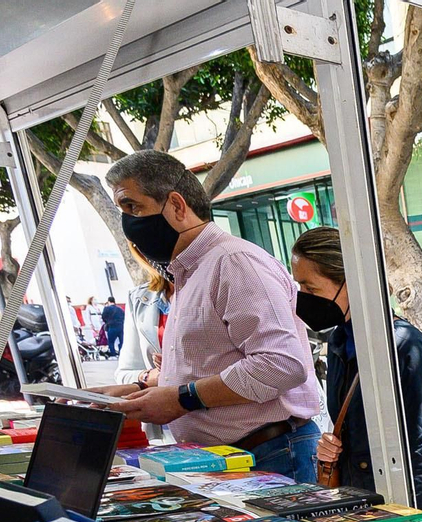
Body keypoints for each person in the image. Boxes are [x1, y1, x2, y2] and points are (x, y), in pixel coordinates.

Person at [97, 150, 321, 482]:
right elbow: (209, 363)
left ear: (176, 205)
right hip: (230, 458)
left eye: (133, 207)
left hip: (268, 453)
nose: (129, 222)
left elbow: (280, 365)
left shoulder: (234, 262)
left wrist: (180, 400)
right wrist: (136, 391)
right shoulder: (190, 272)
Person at [289, 226, 422, 509]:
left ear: (349, 281)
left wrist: (411, 518)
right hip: (360, 505)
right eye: (299, 286)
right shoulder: (339, 339)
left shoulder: (404, 345)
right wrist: (331, 446)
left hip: (401, 508)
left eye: (310, 288)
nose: (303, 297)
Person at [100, 296, 125, 362]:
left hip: (111, 326)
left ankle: (113, 354)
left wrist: (107, 322)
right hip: (120, 327)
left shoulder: (106, 308)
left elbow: (103, 317)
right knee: (121, 341)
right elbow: (124, 317)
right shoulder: (120, 309)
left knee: (111, 341)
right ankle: (121, 353)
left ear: (108, 301)